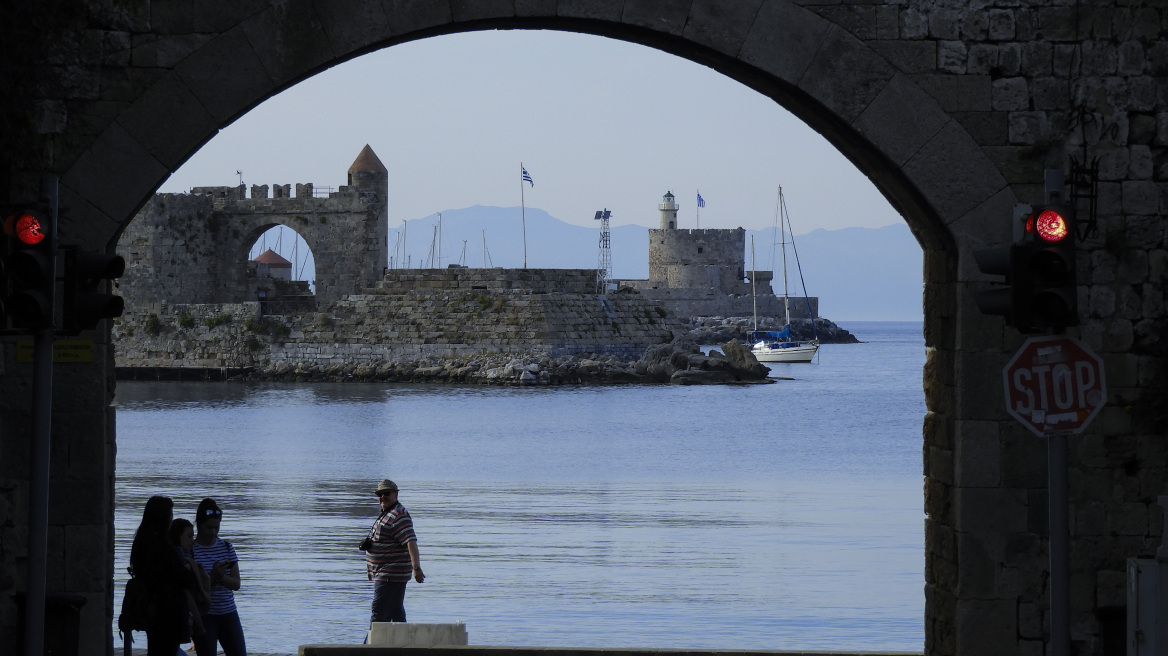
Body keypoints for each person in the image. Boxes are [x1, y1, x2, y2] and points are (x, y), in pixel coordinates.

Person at [130, 496, 192, 656]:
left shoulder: (141, 542)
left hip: (150, 609)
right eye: (170, 515)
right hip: (169, 612)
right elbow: (183, 578)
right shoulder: (165, 546)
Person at [190, 498, 247, 656]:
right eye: (209, 528)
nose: (213, 532)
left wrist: (220, 577)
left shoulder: (227, 547)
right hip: (205, 616)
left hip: (229, 613)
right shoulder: (191, 551)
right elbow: (193, 589)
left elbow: (236, 584)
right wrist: (213, 576)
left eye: (217, 528)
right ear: (199, 524)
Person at [365, 479, 425, 625]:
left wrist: (416, 568)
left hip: (390, 575)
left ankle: (369, 647)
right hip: (386, 574)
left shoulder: (399, 515)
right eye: (380, 494)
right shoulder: (388, 513)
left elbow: (411, 542)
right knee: (396, 614)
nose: (382, 497)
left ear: (396, 495)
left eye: (386, 493)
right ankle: (405, 646)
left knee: (379, 615)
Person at [169, 518, 210, 644]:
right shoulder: (179, 560)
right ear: (178, 536)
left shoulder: (178, 556)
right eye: (189, 536)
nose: (193, 541)